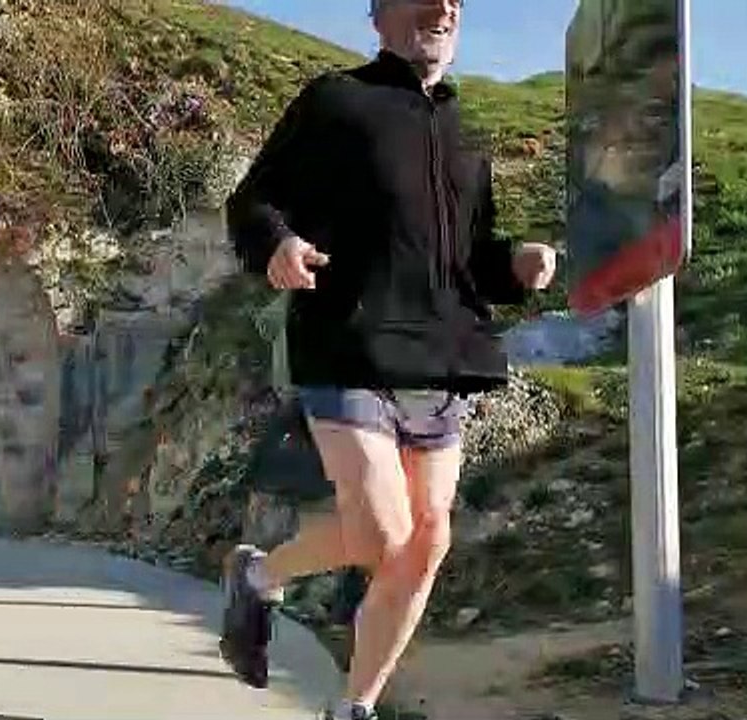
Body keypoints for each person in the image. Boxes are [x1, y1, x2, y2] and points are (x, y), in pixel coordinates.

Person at [219, 2, 558, 718]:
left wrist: (515, 265)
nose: (444, 8)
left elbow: (470, 261)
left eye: (455, 1)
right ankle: (258, 576)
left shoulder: (462, 132)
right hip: (349, 343)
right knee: (382, 534)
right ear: (378, 15)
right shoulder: (336, 101)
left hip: (440, 362)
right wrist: (277, 244)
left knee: (426, 543)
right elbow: (253, 201)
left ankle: (355, 707)